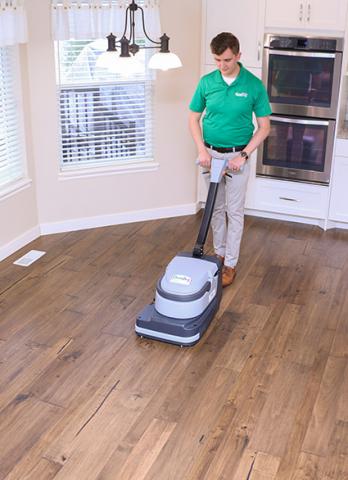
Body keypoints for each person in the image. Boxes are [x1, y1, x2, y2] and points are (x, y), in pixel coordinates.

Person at [189, 32, 271, 287]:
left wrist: (244, 155)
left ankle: (231, 264)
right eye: (217, 60)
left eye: (226, 60)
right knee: (215, 208)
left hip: (237, 156)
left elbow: (264, 127)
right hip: (210, 155)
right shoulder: (206, 82)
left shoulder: (253, 85)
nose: (222, 65)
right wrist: (202, 150)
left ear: (238, 55)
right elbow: (193, 118)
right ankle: (219, 254)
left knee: (235, 212)